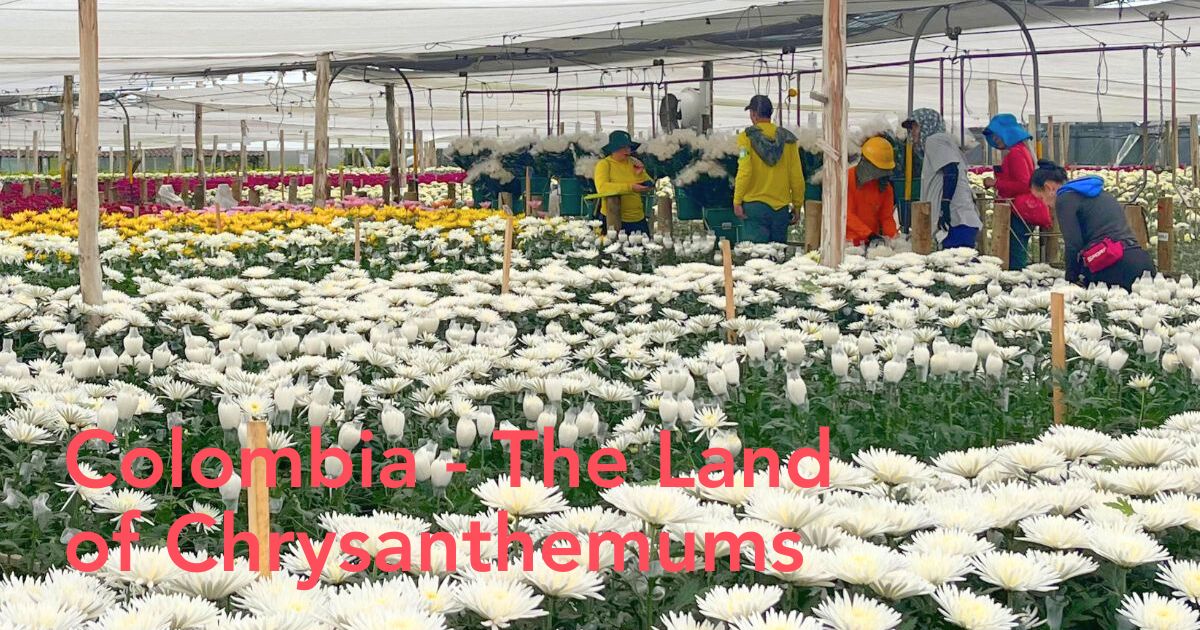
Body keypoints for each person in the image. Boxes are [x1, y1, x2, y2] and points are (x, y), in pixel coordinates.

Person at [1030, 160, 1154, 289]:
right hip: (1141, 260)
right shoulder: (1098, 193)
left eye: (1041, 198)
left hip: (1114, 266)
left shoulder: (1064, 199)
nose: (1044, 204)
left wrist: (1070, 281)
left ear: (1049, 187)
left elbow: (1073, 244)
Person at [733, 95, 805, 244]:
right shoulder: (788, 140)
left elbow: (745, 170)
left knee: (757, 259)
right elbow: (796, 175)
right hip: (780, 210)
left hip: (754, 207)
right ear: (770, 113)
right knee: (777, 257)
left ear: (753, 114)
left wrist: (737, 200)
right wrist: (797, 205)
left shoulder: (745, 138)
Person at [906, 108, 981, 250]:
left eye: (915, 126)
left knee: (957, 264)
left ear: (927, 124)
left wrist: (945, 206)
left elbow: (951, 169)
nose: (913, 132)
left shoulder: (934, 140)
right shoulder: (941, 142)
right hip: (959, 219)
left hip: (956, 220)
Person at [982, 113, 1050, 271]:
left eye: (998, 135)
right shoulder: (1021, 150)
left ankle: (1018, 284)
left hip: (1019, 210)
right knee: (1017, 250)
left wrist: (995, 182)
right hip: (1021, 209)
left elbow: (1024, 184)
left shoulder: (1015, 153)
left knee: (1015, 253)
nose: (996, 140)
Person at [593, 130, 653, 234]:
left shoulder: (633, 162)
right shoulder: (604, 164)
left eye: (629, 147)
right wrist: (630, 187)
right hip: (613, 218)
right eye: (623, 148)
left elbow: (649, 184)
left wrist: (640, 172)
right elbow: (602, 188)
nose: (627, 151)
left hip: (637, 219)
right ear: (613, 149)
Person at [846, 136, 898, 247]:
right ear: (866, 163)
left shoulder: (885, 187)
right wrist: (869, 234)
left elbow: (886, 217)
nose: (881, 175)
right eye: (879, 170)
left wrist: (894, 238)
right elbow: (846, 215)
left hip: (871, 243)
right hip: (845, 244)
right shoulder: (845, 180)